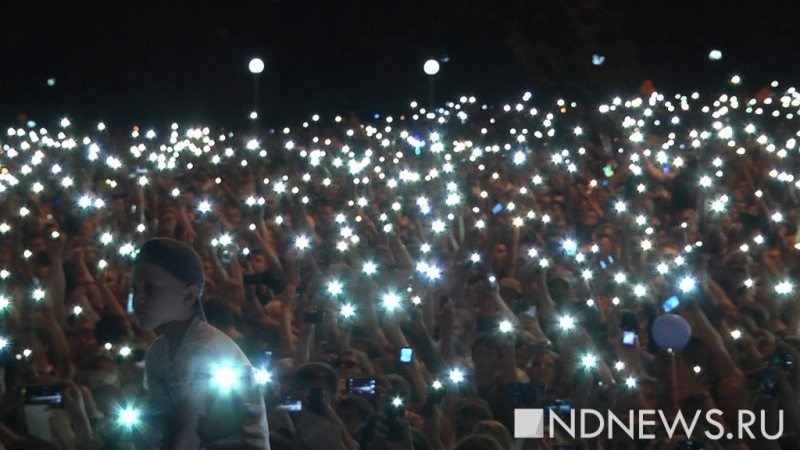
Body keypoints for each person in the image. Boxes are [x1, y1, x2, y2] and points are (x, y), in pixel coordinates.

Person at [132, 238, 270, 449]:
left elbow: (188, 439)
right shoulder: (157, 352)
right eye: (135, 288)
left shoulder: (204, 351)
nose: (138, 299)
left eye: (150, 288)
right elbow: (156, 424)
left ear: (189, 295)